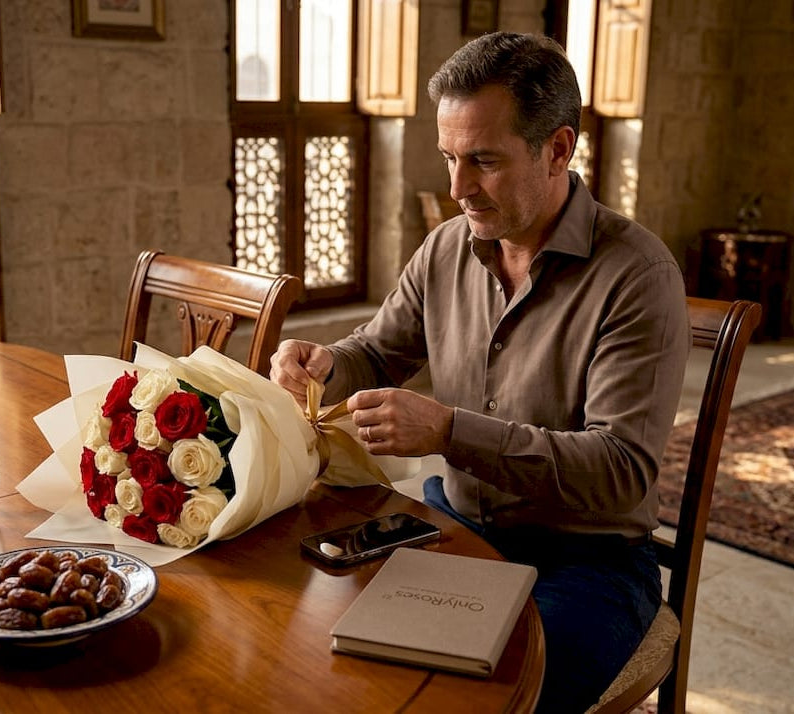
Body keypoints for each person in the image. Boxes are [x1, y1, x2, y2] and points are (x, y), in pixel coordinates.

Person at [270, 32, 689, 713]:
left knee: (476, 702)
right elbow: (377, 352)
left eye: (484, 162)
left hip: (588, 562)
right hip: (456, 525)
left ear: (558, 148)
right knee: (309, 638)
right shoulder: (446, 249)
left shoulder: (638, 276)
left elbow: (620, 469)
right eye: (450, 159)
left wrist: (447, 430)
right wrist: (326, 364)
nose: (458, 188)